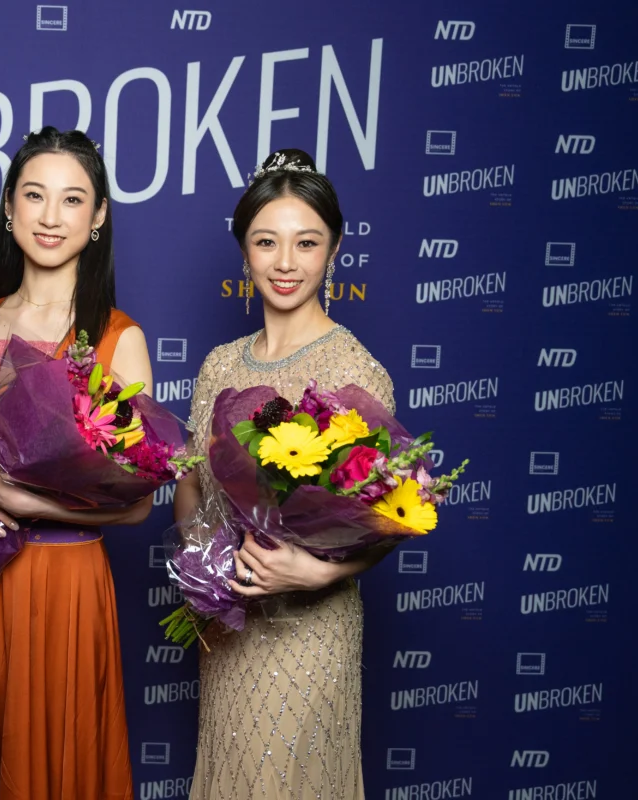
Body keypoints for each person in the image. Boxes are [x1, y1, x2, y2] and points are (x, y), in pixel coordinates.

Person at [0, 127, 151, 800]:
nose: (51, 216)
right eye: (34, 195)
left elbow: (138, 503)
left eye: (73, 199)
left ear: (98, 215)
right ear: (8, 207)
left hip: (68, 584)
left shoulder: (119, 338)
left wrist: (29, 504)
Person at [174, 149, 395, 800]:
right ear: (244, 250)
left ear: (335, 248)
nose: (286, 262)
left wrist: (315, 572)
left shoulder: (355, 371)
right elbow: (191, 484)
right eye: (266, 241)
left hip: (309, 636)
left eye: (307, 242)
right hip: (228, 630)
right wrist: (205, 560)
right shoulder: (219, 365)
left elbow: (388, 514)